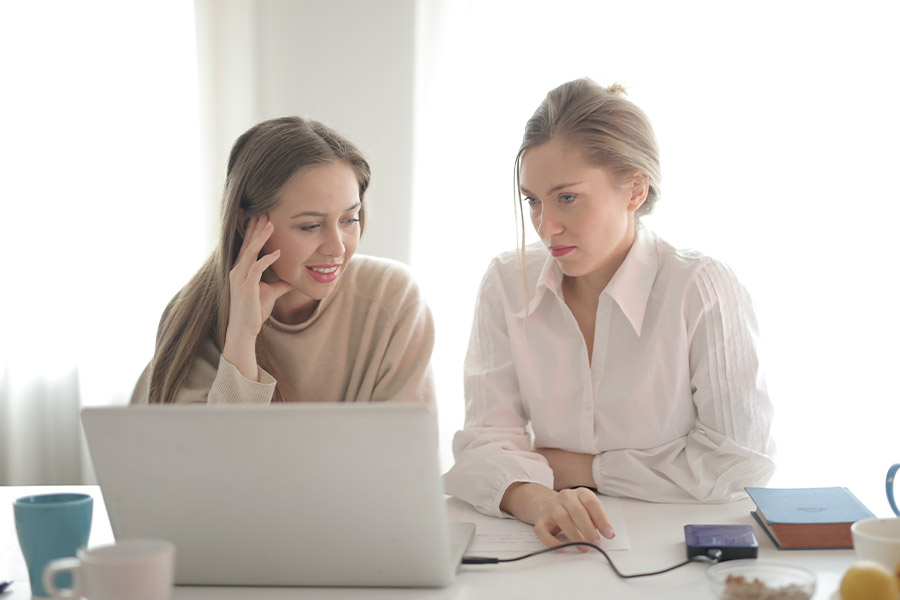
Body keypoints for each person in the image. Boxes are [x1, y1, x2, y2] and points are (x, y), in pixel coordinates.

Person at [444, 79, 775, 548]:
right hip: (554, 544)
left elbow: (740, 464)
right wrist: (538, 499)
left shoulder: (700, 288)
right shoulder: (505, 281)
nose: (545, 225)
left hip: (681, 546)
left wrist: (580, 468)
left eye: (567, 197)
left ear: (635, 190)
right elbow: (483, 444)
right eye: (533, 200)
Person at [131, 117, 434, 406]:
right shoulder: (192, 317)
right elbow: (214, 456)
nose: (336, 247)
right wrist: (241, 338)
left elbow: (406, 450)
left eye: (349, 219)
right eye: (309, 226)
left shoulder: (394, 298)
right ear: (245, 223)